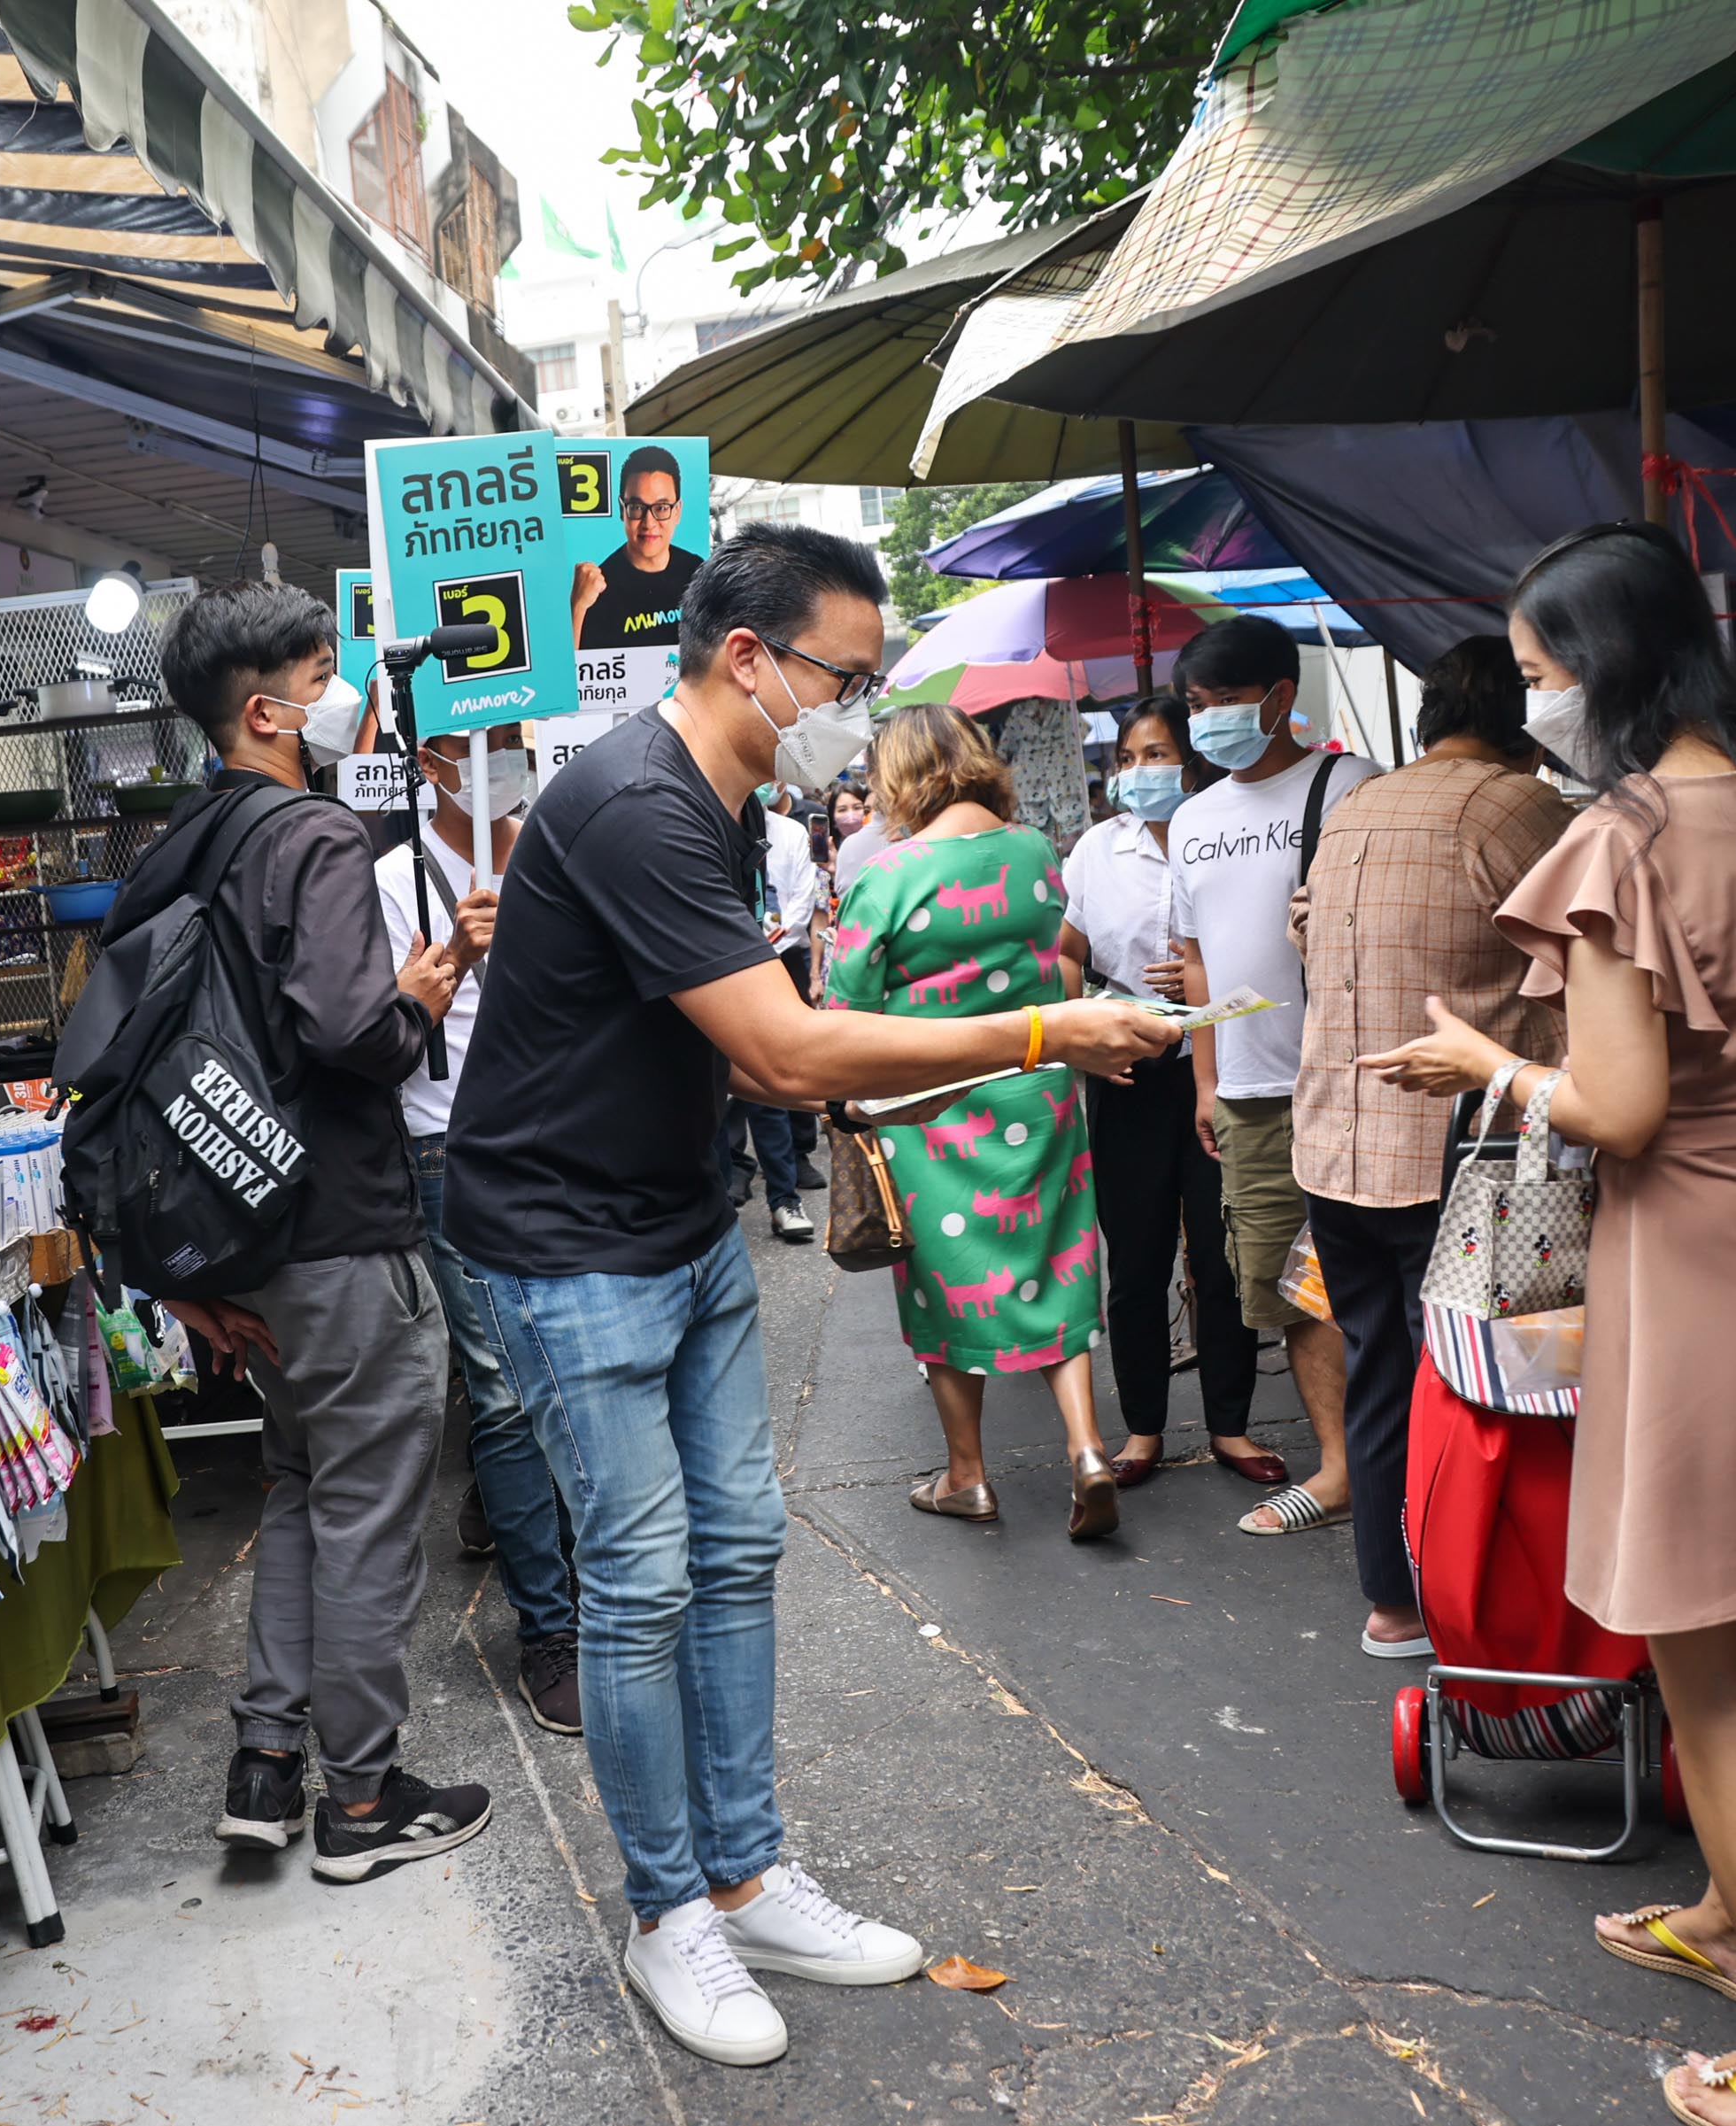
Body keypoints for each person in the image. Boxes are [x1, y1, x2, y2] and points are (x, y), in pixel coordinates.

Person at [444, 524, 1175, 2066]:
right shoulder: (642, 801)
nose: (860, 702)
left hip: (677, 1219)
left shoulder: (722, 795)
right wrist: (1038, 1031)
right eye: (847, 673)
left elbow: (752, 1042)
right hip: (566, 1249)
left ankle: (750, 1870)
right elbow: (784, 1051)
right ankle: (670, 1918)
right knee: (640, 1584)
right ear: (749, 659)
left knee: (740, 1546)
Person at [1357, 521, 1736, 2126]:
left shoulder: (1624, 835)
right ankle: (1728, 1918)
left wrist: (1482, 1067)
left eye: (1543, 675)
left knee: (1715, 1685)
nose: (1536, 701)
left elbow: (1617, 1109)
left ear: (1605, 670)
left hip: (1702, 1262)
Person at [132, 580, 495, 1885]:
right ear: (271, 710)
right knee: (370, 1511)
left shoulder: (179, 843)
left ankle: (265, 1765)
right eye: (326, 670)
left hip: (246, 1247)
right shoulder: (314, 837)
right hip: (343, 1227)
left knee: (298, 1489)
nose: (345, 690)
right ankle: (361, 1798)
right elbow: (352, 1034)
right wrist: (424, 990)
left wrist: (178, 1279)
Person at [1291, 639, 1574, 1660]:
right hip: (1463, 1156)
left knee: (1379, 1368)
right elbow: (1593, 963)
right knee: (1477, 1388)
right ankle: (1476, 1601)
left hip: (1334, 1143)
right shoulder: (1514, 807)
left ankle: (1394, 1602)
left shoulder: (1355, 805)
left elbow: (1311, 941)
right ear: (1519, 717)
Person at [829, 704, 1117, 1539]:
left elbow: (844, 1006)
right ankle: (1087, 1447)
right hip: (1041, 1089)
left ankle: (967, 1475)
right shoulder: (1032, 850)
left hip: (931, 1104)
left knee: (945, 1283)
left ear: (897, 773)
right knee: (1060, 1261)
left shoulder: (887, 875)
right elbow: (1057, 958)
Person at [374, 729, 582, 1738]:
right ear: (431, 761)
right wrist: (457, 952)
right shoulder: (387, 878)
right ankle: (550, 1629)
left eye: (512, 741)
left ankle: (604, 1593)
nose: (499, 760)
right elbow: (375, 1030)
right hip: (448, 1148)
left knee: (580, 1366)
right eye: (474, 743)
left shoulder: (556, 849)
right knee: (503, 1393)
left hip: (565, 1134)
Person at [1165, 616, 1379, 1519]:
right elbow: (1199, 961)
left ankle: (1397, 1456)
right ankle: (1338, 1467)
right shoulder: (1190, 817)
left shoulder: (1352, 787)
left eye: (1217, 703)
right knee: (1290, 1293)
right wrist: (1208, 1081)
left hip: (1357, 1083)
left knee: (1372, 1284)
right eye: (1194, 706)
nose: (1204, 721)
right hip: (1251, 1094)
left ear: (1280, 698)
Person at [1053, 697, 1261, 1488]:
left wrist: (1207, 976)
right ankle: (1141, 1431)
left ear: (1194, 758)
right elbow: (1068, 956)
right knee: (1136, 1259)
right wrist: (1082, 1043)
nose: (1143, 771)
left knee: (1222, 1254)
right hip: (1127, 1065)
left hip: (1225, 1059)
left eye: (1159, 753)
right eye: (1131, 758)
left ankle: (1231, 1428)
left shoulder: (1225, 829)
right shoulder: (1096, 851)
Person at [720, 783, 819, 1242]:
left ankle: (784, 1198)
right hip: (719, 971)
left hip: (776, 960)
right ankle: (721, 1197)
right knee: (715, 1089)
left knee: (767, 1086)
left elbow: (799, 903)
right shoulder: (704, 826)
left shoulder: (788, 833)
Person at [573, 445, 704, 651]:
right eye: (637, 507)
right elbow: (571, 676)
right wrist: (578, 607)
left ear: (677, 511)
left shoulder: (699, 573)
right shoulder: (595, 589)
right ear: (621, 510)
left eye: (661, 508)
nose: (649, 522)